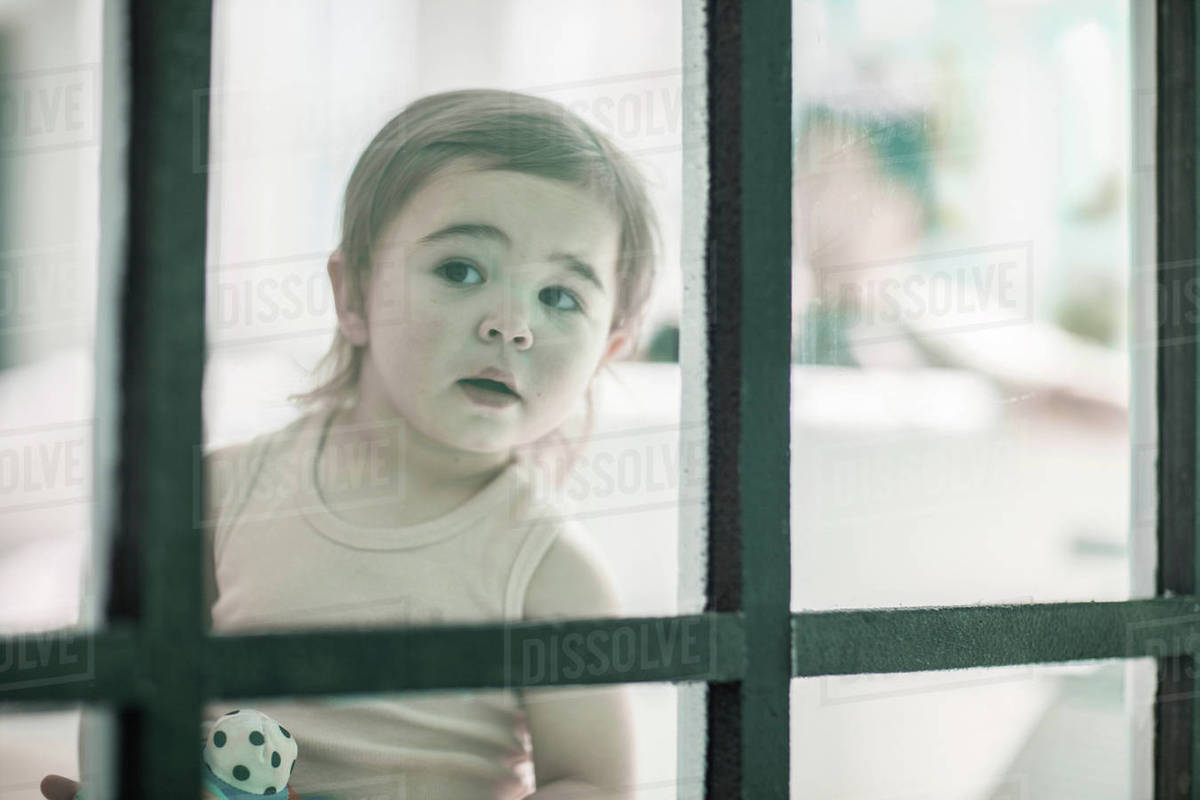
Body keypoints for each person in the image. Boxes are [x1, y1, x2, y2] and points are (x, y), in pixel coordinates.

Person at [42, 87, 659, 800]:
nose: (511, 324)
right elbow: (132, 697)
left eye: (560, 297)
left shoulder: (552, 568)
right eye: (461, 269)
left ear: (608, 349)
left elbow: (590, 783)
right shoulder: (221, 495)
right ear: (354, 295)